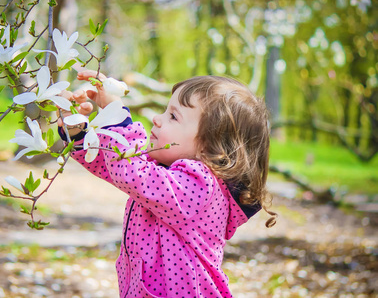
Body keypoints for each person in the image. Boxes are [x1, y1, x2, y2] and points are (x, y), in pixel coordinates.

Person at [57, 70, 276, 298]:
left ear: (209, 147)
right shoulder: (165, 173)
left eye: (173, 116)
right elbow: (112, 164)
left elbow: (131, 173)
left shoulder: (200, 187)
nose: (157, 119)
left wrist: (116, 115)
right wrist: (76, 129)